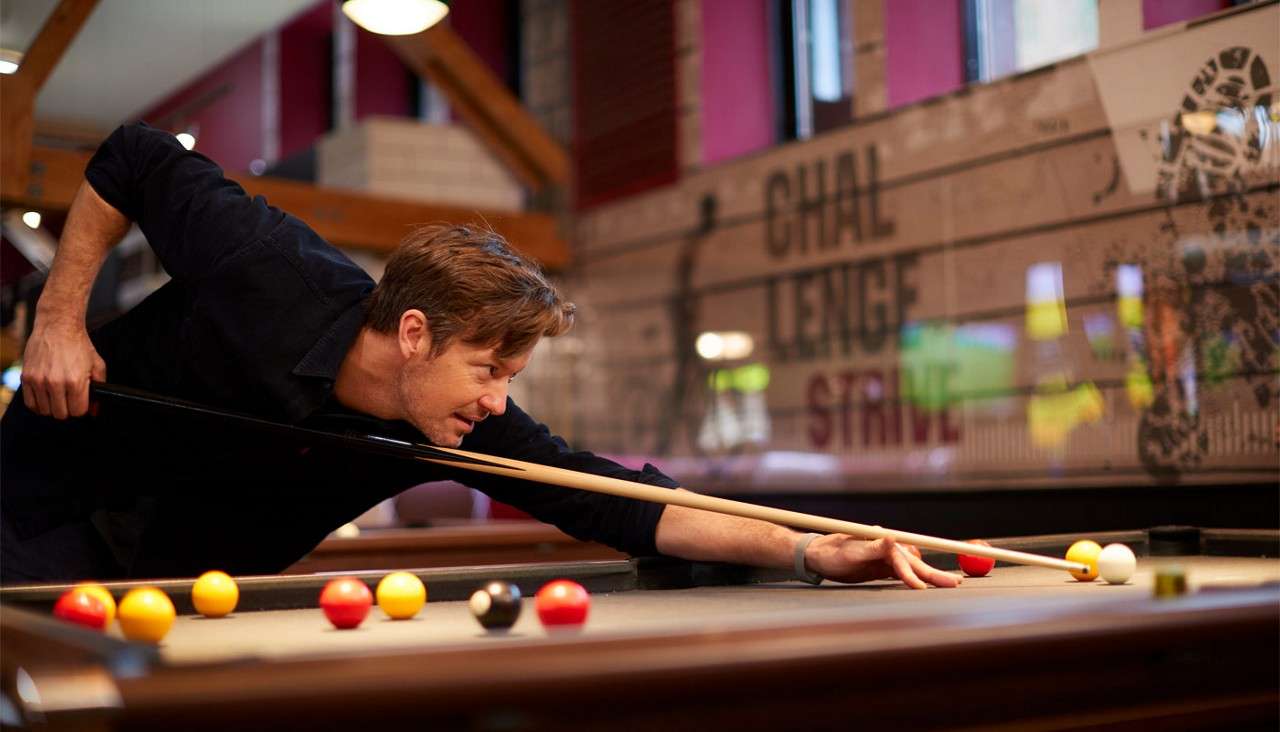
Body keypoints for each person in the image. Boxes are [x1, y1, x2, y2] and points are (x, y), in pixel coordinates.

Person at [1, 122, 959, 590]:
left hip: (171, 584)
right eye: (491, 370)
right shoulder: (270, 267)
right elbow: (133, 157)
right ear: (415, 333)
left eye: (510, 379)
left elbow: (614, 498)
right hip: (36, 495)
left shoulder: (456, 424)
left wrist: (808, 548)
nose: (499, 400)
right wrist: (58, 319)